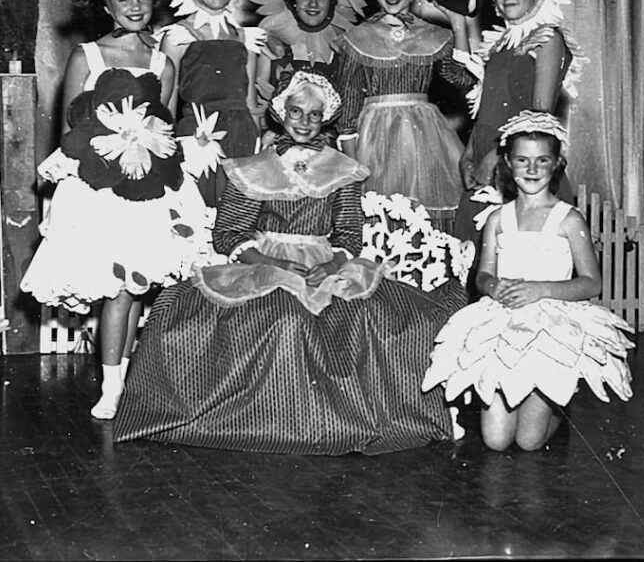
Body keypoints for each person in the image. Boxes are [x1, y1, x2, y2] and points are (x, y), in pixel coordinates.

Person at [113, 71, 465, 455]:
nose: (304, 121)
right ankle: (264, 417)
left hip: (323, 262)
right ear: (281, 112)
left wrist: (331, 266)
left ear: (325, 118)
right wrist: (267, 262)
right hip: (261, 261)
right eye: (296, 111)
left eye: (314, 115)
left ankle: (335, 419)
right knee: (273, 317)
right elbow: (229, 234)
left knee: (370, 317)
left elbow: (348, 235)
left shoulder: (344, 170)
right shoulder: (253, 167)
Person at [20, 0, 216, 421]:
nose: (135, 7)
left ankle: (120, 380)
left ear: (155, 3)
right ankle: (110, 389)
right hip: (100, 186)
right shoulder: (86, 56)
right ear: (107, 6)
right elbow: (71, 127)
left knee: (135, 289)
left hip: (148, 185)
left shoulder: (162, 62)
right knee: (118, 291)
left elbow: (164, 126)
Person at [422, 110, 633, 451]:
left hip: (552, 323)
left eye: (542, 161)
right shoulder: (497, 219)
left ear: (556, 163)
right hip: (506, 322)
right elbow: (483, 275)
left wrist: (539, 290)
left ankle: (556, 403)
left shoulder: (569, 220)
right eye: (522, 161)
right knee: (495, 440)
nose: (532, 170)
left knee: (530, 441)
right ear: (507, 163)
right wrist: (492, 286)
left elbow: (592, 283)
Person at [335, 0, 478, 234]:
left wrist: (458, 25)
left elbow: (462, 79)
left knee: (424, 221)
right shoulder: (357, 37)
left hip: (425, 137)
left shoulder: (432, 34)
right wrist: (351, 165)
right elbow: (347, 106)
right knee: (379, 220)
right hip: (375, 137)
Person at [454, 0, 586, 241]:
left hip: (519, 159)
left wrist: (497, 158)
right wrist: (469, 153)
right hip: (487, 156)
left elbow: (538, 117)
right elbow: (486, 109)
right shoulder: (498, 44)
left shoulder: (547, 38)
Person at [160, 0, 268, 207]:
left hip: (241, 137)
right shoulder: (178, 37)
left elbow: (249, 101)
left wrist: (258, 144)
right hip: (197, 138)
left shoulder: (247, 38)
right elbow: (165, 105)